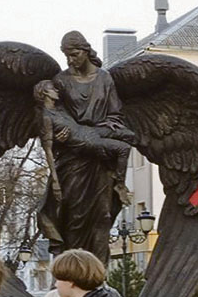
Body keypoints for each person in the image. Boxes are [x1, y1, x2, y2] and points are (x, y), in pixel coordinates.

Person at [38, 31, 135, 262]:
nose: (70, 60)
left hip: (100, 161)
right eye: (66, 56)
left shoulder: (104, 79)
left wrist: (102, 128)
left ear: (85, 51)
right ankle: (71, 272)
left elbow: (115, 115)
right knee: (75, 216)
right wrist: (63, 136)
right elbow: (54, 115)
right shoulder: (61, 81)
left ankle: (97, 277)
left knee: (102, 215)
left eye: (73, 54)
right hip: (73, 160)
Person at [35, 79, 133, 208]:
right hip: (86, 142)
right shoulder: (46, 117)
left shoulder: (60, 109)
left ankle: (112, 167)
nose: (56, 90)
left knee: (129, 134)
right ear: (45, 93)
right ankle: (119, 185)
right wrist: (55, 182)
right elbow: (48, 149)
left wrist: (104, 123)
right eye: (53, 89)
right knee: (124, 148)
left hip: (90, 131)